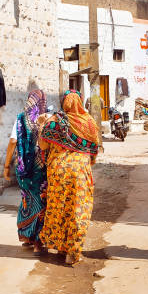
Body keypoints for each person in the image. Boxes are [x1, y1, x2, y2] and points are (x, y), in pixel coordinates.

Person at [37, 90, 99, 266]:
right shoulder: (89, 122)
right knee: (78, 210)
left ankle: (61, 246)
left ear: (64, 103)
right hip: (79, 172)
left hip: (57, 172)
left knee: (59, 208)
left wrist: (42, 127)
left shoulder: (55, 121)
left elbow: (42, 145)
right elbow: (94, 150)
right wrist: (87, 162)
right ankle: (72, 253)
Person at [3, 90, 49, 256]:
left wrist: (6, 166)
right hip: (41, 169)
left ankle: (27, 237)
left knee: (27, 200)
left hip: (24, 168)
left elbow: (13, 141)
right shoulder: (46, 119)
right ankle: (38, 241)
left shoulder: (21, 118)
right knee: (41, 201)